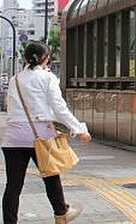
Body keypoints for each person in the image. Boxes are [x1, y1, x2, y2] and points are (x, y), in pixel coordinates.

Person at [2, 41, 91, 224]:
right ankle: (61, 214)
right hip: (39, 135)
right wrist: (79, 129)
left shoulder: (15, 79)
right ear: (45, 58)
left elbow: (10, 108)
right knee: (51, 175)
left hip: (13, 138)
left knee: (13, 186)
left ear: (26, 59)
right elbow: (59, 108)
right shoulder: (47, 78)